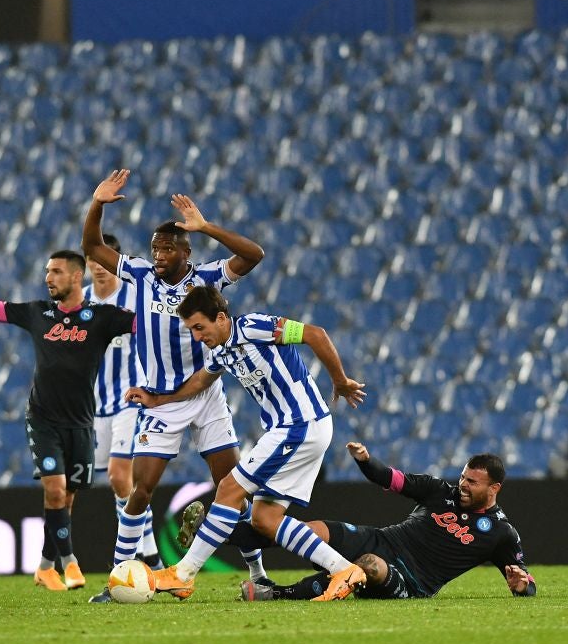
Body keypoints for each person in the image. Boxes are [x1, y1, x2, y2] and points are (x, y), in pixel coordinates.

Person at [81, 169, 269, 601]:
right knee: (140, 488)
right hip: (160, 401)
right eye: (154, 248)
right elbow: (92, 246)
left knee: (232, 488)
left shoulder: (205, 279)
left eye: (167, 248)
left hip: (206, 396)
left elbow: (254, 254)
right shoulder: (140, 274)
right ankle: (118, 578)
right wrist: (98, 204)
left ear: (186, 252)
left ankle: (258, 574)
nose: (159, 254)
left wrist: (207, 227)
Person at [127, 285, 368, 601]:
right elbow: (201, 379)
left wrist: (340, 380)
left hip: (299, 425)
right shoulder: (220, 350)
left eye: (200, 327)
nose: (198, 336)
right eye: (192, 330)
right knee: (264, 519)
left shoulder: (254, 326)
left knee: (229, 489)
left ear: (221, 318)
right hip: (296, 429)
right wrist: (160, 399)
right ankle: (344, 569)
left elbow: (315, 334)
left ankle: (183, 575)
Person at [0, 251, 135, 592]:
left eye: (57, 272)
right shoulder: (38, 312)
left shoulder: (102, 318)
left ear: (78, 277)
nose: (48, 277)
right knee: (55, 489)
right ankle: (70, 564)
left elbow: (149, 326)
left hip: (80, 423)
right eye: (47, 271)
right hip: (42, 418)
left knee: (66, 501)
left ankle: (45, 567)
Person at [238, 442, 537, 602]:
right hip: (382, 540)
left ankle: (278, 593)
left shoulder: (501, 533)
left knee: (368, 566)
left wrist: (521, 585)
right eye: (462, 476)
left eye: (472, 482)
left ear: (494, 488)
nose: (463, 484)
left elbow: (526, 583)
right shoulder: (438, 490)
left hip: (411, 580)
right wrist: (366, 461)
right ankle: (224, 533)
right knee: (314, 529)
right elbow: (390, 479)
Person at [84, 233, 160, 569]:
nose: (99, 268)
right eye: (92, 261)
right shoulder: (80, 303)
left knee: (119, 475)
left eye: (106, 262)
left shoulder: (135, 298)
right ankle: (149, 552)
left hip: (130, 399)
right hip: (94, 406)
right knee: (120, 483)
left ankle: (140, 557)